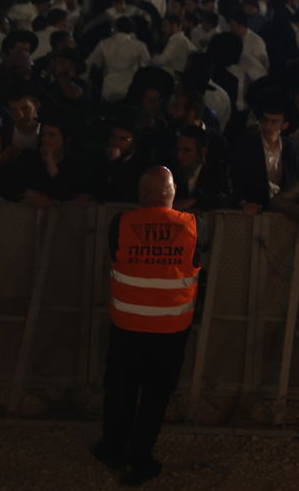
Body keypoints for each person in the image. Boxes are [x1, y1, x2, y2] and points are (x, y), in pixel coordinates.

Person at [93, 166, 200, 486]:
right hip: (171, 330)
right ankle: (140, 458)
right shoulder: (194, 226)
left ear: (142, 194)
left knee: (120, 391)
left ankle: (112, 449)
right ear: (173, 193)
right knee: (155, 396)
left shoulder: (121, 224)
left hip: (127, 325)